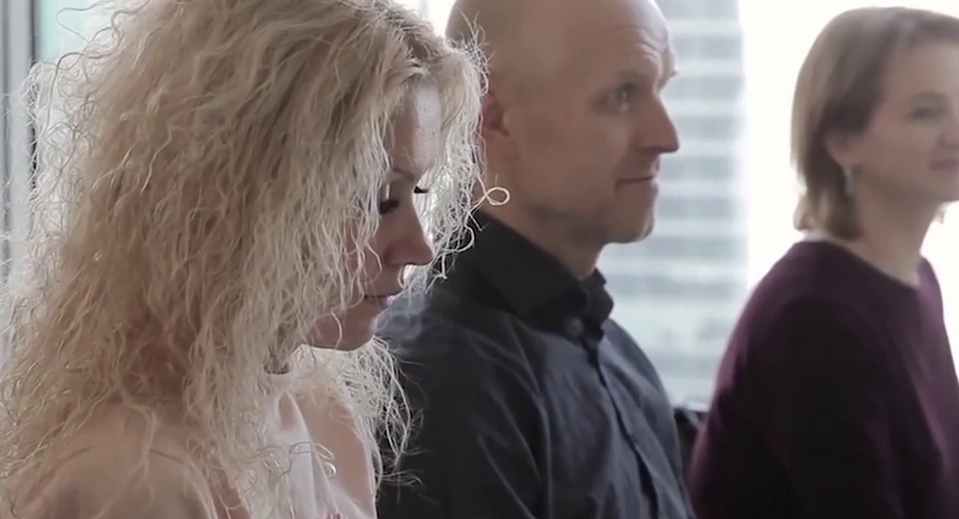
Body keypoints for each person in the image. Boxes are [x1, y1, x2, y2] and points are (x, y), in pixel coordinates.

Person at [0, 0, 484, 517]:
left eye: (417, 192)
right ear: (238, 200)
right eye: (378, 200)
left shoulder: (319, 409)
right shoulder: (140, 483)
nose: (419, 248)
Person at [376, 0, 695, 517]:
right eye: (621, 95)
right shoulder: (445, 385)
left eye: (661, 88)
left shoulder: (617, 354)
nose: (667, 137)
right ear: (493, 118)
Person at [689, 7, 959, 518]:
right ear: (842, 141)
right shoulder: (814, 315)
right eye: (926, 112)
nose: (956, 129)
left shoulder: (916, 279)